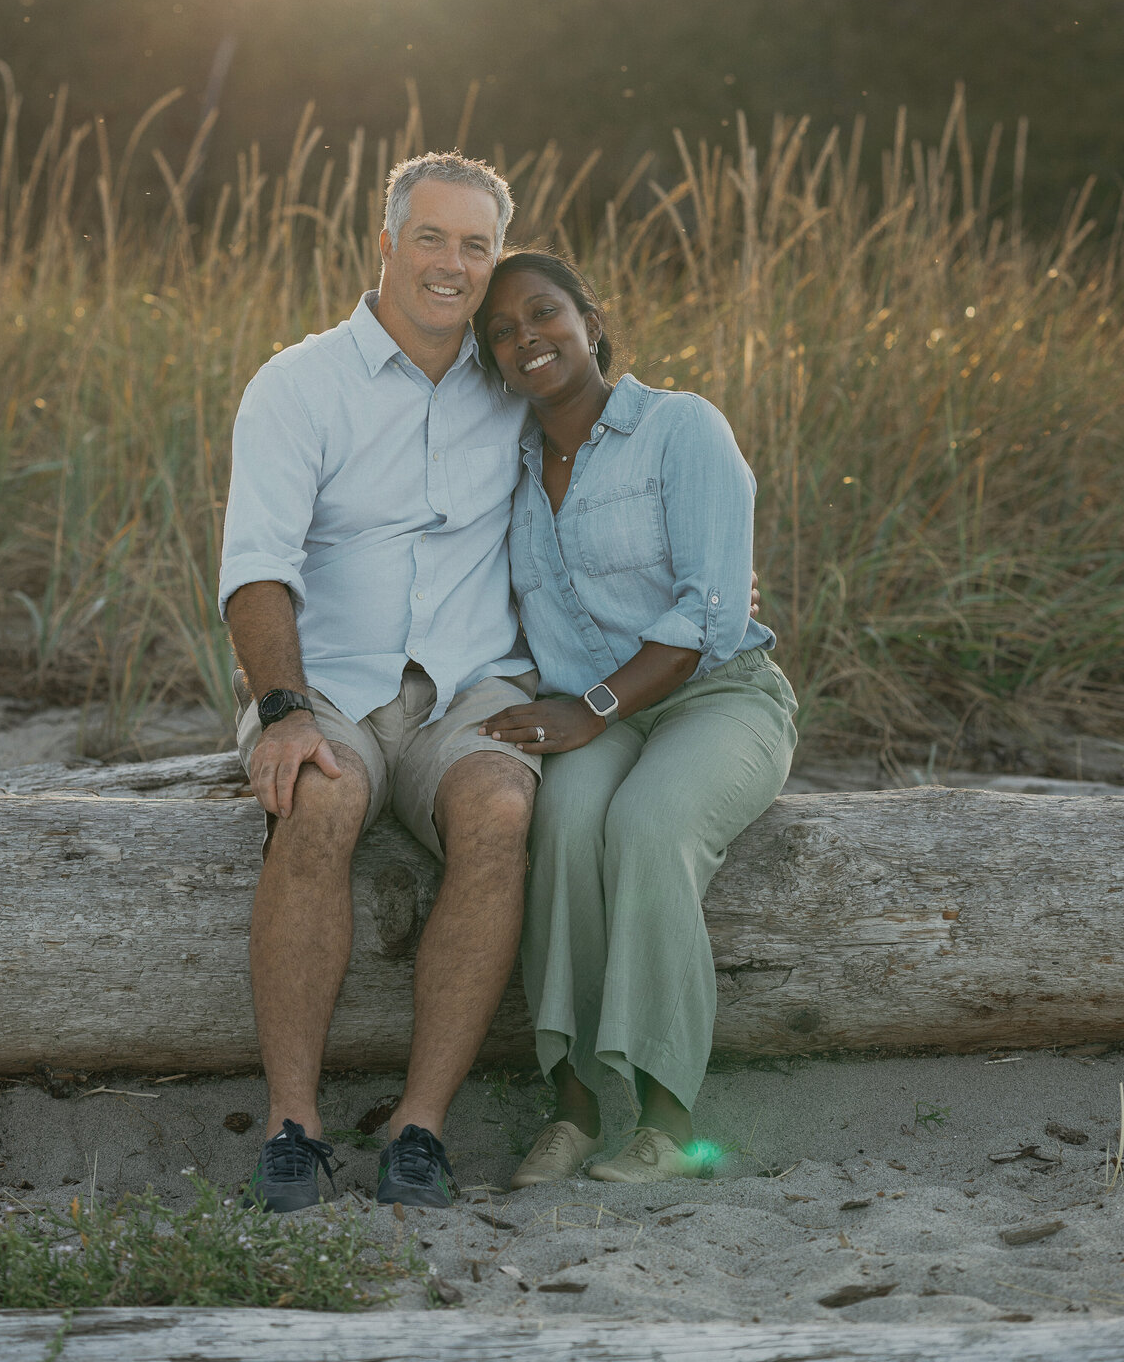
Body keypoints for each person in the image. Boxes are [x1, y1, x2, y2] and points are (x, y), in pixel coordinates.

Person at [218, 151, 541, 1212]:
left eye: (476, 246)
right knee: (322, 795)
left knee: (500, 805)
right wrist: (282, 711)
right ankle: (293, 1126)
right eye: (432, 238)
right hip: (327, 680)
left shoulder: (518, 387)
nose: (453, 264)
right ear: (388, 243)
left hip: (471, 685)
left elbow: (615, 467)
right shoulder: (298, 383)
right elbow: (256, 568)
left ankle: (420, 1127)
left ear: (496, 260)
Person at [472, 251, 797, 1186]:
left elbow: (711, 612)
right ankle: (573, 1108)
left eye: (544, 312)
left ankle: (667, 1121)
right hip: (593, 714)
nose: (528, 338)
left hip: (718, 697)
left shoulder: (679, 426)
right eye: (503, 331)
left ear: (592, 319)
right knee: (566, 824)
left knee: (649, 824)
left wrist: (595, 706)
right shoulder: (507, 467)